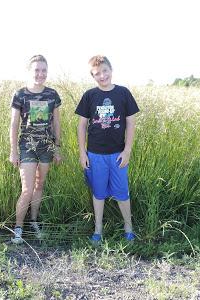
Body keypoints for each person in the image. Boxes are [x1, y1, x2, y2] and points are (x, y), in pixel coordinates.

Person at [75, 55, 139, 243]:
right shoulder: (89, 95)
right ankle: (98, 230)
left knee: (122, 192)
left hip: (118, 154)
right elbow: (81, 126)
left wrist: (127, 150)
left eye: (104, 71)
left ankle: (128, 227)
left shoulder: (123, 93)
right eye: (97, 74)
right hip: (95, 155)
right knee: (98, 193)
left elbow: (131, 123)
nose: (102, 76)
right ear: (92, 76)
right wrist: (82, 152)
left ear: (111, 70)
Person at [9, 54, 62, 244]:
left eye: (44, 70)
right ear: (30, 71)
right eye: (37, 70)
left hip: (46, 146)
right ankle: (18, 228)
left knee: (40, 186)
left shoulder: (52, 94)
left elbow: (56, 122)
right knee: (27, 189)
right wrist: (13, 151)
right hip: (27, 147)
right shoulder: (20, 94)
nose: (40, 74)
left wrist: (57, 147)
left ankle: (33, 222)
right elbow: (14, 124)